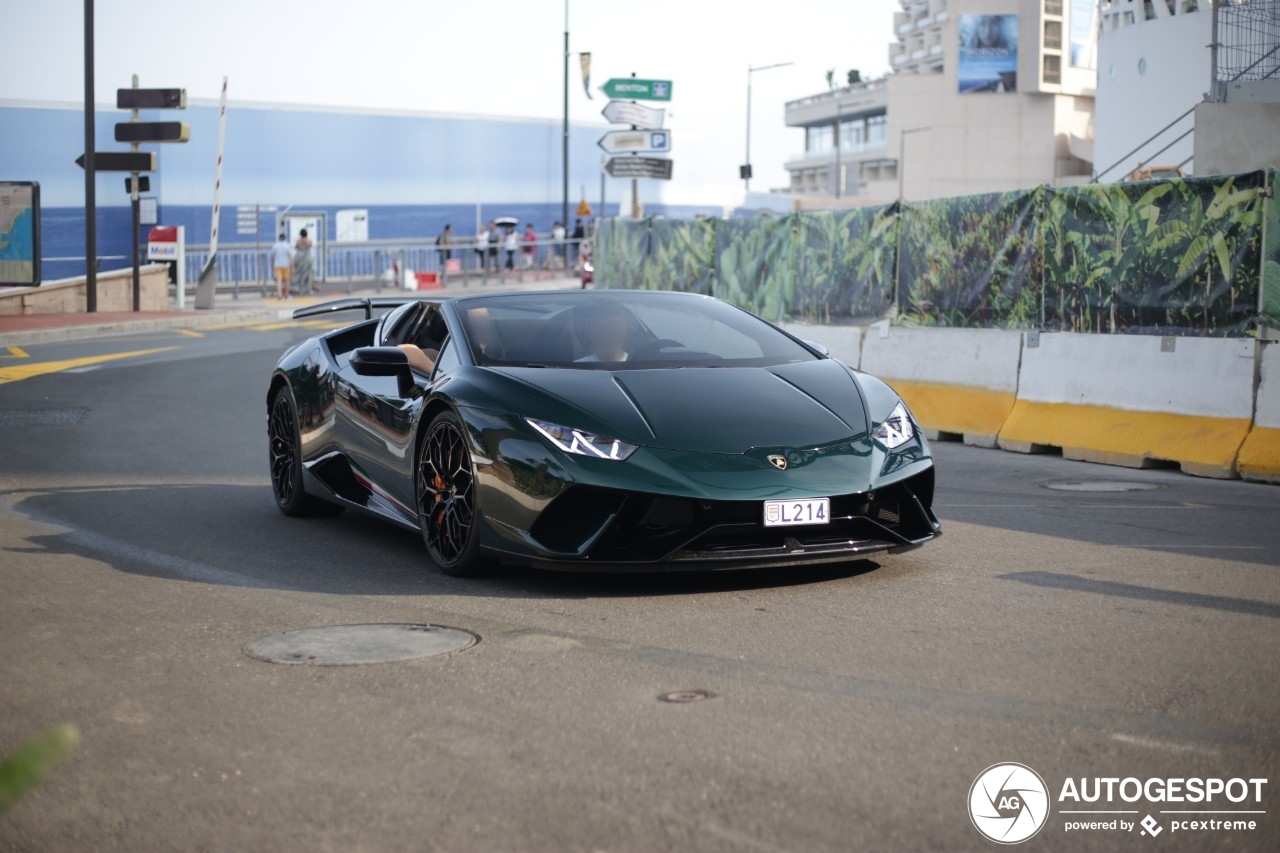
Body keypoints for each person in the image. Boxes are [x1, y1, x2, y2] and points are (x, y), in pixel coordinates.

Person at [270, 233, 293, 300]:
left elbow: (272, 256)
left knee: (278, 280)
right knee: (287, 280)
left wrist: (272, 265)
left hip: (277, 265)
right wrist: (292, 266)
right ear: (285, 238)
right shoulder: (287, 246)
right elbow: (290, 257)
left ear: (279, 238)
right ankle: (286, 294)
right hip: (286, 265)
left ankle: (279, 295)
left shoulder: (275, 246)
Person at [292, 228, 314, 295]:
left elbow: (296, 247)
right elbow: (310, 246)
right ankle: (309, 290)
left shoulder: (298, 241)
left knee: (301, 275)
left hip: (300, 258)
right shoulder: (308, 240)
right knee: (309, 275)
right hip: (307, 258)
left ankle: (301, 290)